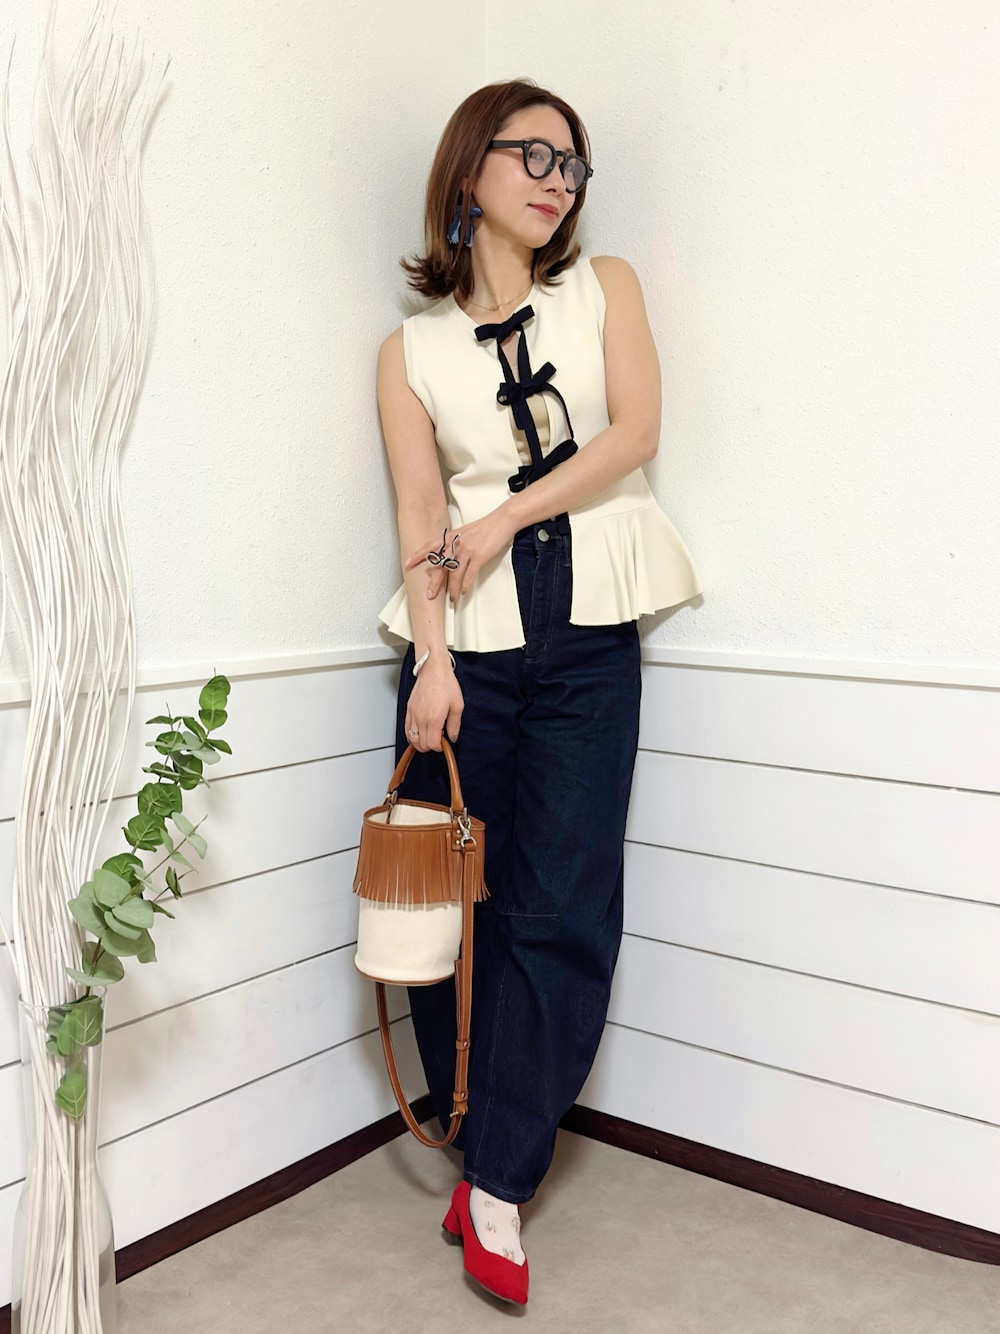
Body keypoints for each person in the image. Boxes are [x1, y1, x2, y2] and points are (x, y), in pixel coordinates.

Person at [376, 79, 701, 1305]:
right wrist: (432, 658)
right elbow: (419, 510)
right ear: (470, 169)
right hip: (465, 639)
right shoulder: (407, 351)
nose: (558, 179)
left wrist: (506, 516)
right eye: (533, 154)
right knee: (449, 905)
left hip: (586, 622)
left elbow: (633, 435)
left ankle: (499, 1180)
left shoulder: (604, 285)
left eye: (573, 162)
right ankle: (480, 1142)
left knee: (563, 905)